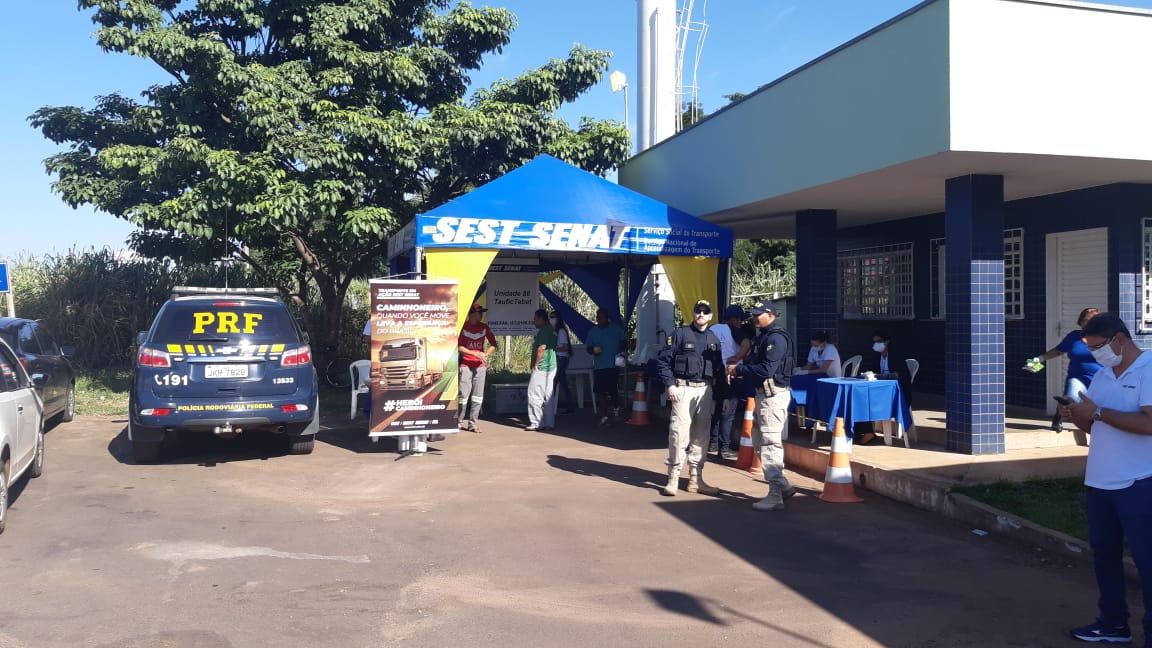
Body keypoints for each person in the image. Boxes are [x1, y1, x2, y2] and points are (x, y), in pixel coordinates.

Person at [1057, 313, 1152, 646]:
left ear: (1119, 340)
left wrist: (1097, 413)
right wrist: (1079, 416)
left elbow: (1149, 424)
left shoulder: (1149, 369)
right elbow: (1096, 425)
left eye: (1098, 347)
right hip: (1100, 483)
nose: (1095, 354)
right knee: (1105, 556)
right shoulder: (1102, 376)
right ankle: (1113, 624)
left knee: (1147, 562)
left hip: (1139, 483)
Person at [656, 299, 725, 497]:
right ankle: (673, 478)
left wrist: (723, 397)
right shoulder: (679, 334)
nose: (701, 314)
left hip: (705, 390)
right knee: (678, 434)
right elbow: (663, 361)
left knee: (701, 436)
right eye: (698, 311)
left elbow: (718, 370)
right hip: (683, 389)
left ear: (711, 316)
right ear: (693, 313)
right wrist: (670, 385)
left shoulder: (713, 339)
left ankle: (696, 479)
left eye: (705, 311)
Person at [735, 299, 798, 511]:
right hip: (764, 395)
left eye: (759, 314)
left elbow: (765, 370)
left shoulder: (776, 338)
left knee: (770, 443)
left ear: (770, 314)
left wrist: (739, 370)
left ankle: (776, 492)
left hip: (773, 395)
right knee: (759, 439)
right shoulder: (763, 337)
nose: (754, 317)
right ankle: (781, 487)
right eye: (754, 314)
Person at [1030, 307, 1101, 441]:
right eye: (1085, 320)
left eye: (1092, 321)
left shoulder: (1105, 338)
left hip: (1100, 379)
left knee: (1095, 408)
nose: (1088, 324)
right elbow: (1058, 351)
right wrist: (1039, 359)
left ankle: (1095, 435)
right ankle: (1058, 416)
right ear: (1081, 322)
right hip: (1077, 377)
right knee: (1069, 401)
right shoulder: (1074, 337)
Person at [709, 304, 752, 460]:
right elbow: (746, 344)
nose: (741, 323)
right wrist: (738, 357)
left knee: (717, 409)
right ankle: (725, 447)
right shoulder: (734, 330)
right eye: (740, 320)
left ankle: (713, 443)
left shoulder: (712, 329)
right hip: (731, 375)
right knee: (728, 413)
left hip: (714, 375)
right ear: (734, 320)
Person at [457, 303, 497, 433]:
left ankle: (473, 424)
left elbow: (493, 344)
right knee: (463, 394)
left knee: (478, 396)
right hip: (466, 365)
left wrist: (485, 354)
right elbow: (460, 347)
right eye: (480, 313)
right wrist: (474, 353)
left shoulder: (484, 327)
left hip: (480, 366)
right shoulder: (463, 327)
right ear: (472, 314)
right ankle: (458, 422)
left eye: (482, 313)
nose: (481, 315)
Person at [584, 308, 625, 426]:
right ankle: (604, 414)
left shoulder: (616, 329)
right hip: (599, 366)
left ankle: (616, 408)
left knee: (612, 389)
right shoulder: (593, 331)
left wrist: (622, 348)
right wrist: (593, 350)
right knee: (599, 391)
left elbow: (624, 343)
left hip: (613, 365)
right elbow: (588, 347)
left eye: (600, 317)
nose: (598, 319)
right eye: (597, 317)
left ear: (607, 318)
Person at [526, 308, 558, 431]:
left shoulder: (544, 331)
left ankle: (536, 422)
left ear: (541, 319)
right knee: (548, 396)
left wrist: (535, 364)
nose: (533, 321)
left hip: (542, 367)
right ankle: (549, 423)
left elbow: (541, 348)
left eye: (535, 318)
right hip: (551, 366)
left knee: (534, 394)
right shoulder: (552, 330)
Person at [551, 311, 574, 414]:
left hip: (562, 358)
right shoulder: (557, 331)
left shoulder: (561, 331)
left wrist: (554, 349)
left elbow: (565, 347)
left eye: (553, 317)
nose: (551, 319)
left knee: (554, 381)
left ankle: (550, 405)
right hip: (559, 358)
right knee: (563, 382)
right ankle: (570, 405)